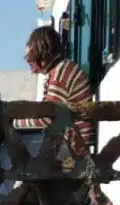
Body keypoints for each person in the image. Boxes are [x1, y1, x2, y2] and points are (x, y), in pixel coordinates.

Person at [16, 25, 95, 158]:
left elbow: (47, 119)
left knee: (8, 147)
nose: (28, 62)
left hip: (73, 147)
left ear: (42, 52)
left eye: (30, 57)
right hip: (70, 142)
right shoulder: (61, 69)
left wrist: (14, 123)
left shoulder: (61, 72)